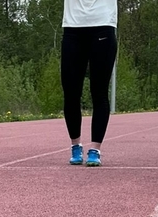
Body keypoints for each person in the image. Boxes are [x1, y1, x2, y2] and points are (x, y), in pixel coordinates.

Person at [61, 0, 118, 167]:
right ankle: (75, 145)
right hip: (73, 26)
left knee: (99, 92)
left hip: (103, 24)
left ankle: (95, 149)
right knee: (71, 92)